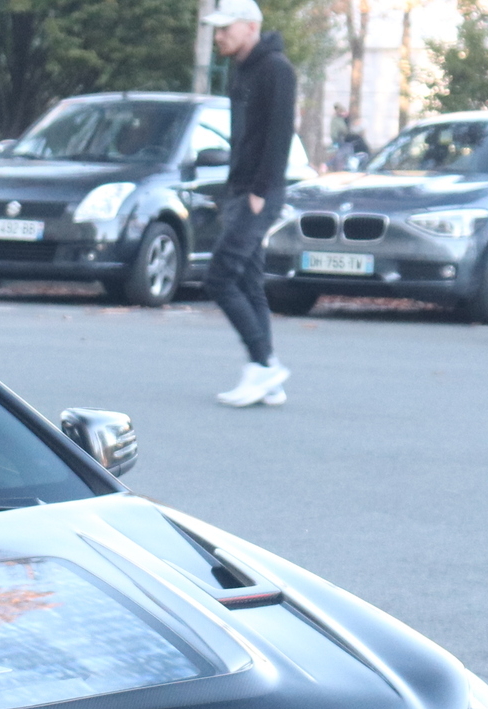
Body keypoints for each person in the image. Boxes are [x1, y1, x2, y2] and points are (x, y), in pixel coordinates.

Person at [206, 0, 297, 408]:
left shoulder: (277, 69)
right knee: (247, 282)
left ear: (248, 26)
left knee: (219, 278)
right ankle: (268, 376)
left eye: (225, 28)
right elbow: (241, 137)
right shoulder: (240, 70)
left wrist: (260, 192)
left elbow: (279, 136)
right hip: (240, 191)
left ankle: (263, 364)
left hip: (260, 193)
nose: (218, 35)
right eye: (217, 28)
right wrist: (232, 190)